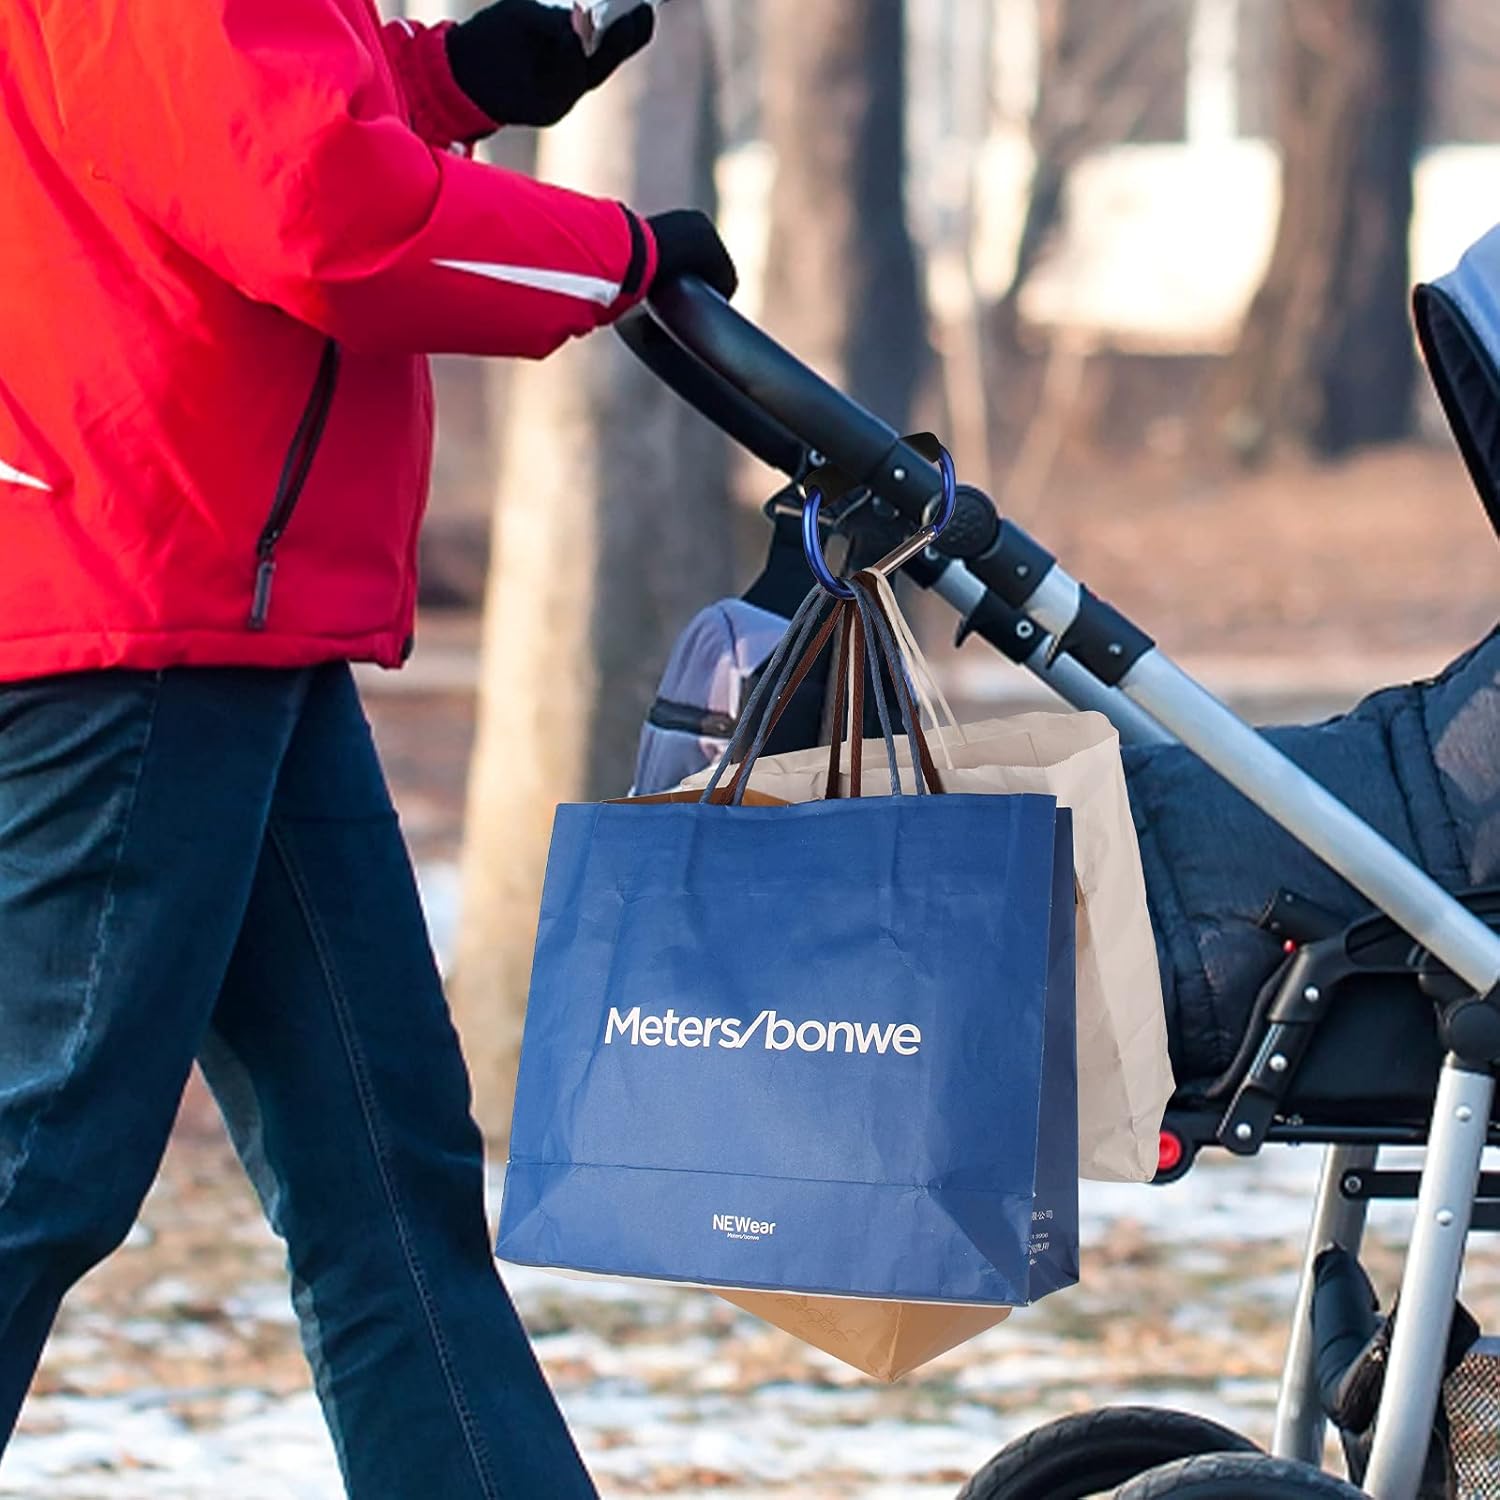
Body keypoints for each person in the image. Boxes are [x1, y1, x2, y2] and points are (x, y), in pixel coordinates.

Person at [0, 1, 737, 1495]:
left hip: (224, 607)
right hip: (141, 599)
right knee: (42, 1151)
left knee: (382, 1168)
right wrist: (616, 256)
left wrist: (452, 80)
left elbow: (242, 110)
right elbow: (319, 215)